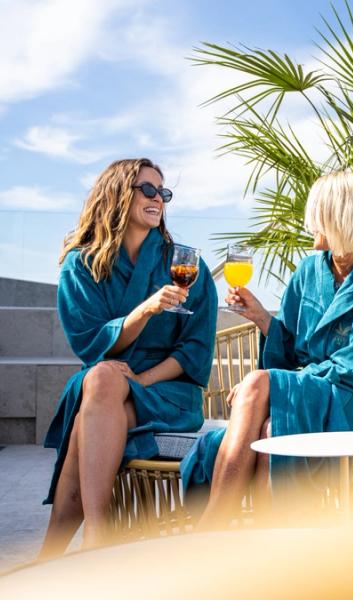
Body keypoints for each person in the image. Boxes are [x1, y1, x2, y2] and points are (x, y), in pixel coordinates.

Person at [181, 170, 353, 527]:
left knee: (258, 383)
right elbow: (287, 349)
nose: (310, 224)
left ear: (343, 219)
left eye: (318, 215)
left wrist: (277, 381)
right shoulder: (308, 270)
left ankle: (209, 528)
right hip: (311, 389)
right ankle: (272, 544)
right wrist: (260, 316)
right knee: (272, 430)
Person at [39, 158, 217, 558]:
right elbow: (89, 343)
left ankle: (61, 552)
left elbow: (195, 351)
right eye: (148, 190)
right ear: (118, 194)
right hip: (105, 385)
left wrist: (141, 380)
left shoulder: (185, 264)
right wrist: (146, 310)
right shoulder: (81, 264)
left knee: (94, 408)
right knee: (102, 378)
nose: (158, 199)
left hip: (168, 390)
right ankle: (95, 541)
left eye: (163, 193)